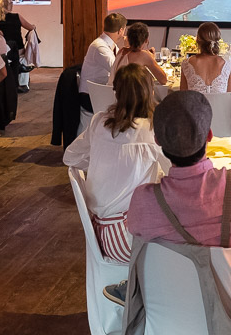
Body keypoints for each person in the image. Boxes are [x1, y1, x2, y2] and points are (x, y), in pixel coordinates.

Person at [127, 91, 231, 314]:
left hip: (181, 304)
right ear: (210, 136)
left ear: (157, 141)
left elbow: (137, 238)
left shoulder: (144, 202)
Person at [64, 64, 168, 264]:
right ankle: (149, 290)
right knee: (191, 237)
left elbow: (70, 157)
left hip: (100, 232)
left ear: (116, 93)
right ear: (150, 92)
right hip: (127, 239)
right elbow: (176, 173)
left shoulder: (99, 122)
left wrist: (104, 161)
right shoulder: (151, 131)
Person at [80, 12, 126, 100]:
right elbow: (117, 70)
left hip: (100, 91)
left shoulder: (111, 46)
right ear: (120, 31)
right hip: (90, 96)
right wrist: (128, 48)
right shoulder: (100, 47)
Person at [179, 22, 231, 94]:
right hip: (220, 105)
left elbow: (183, 98)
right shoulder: (226, 64)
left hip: (195, 105)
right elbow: (230, 99)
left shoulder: (187, 64)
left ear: (197, 40)